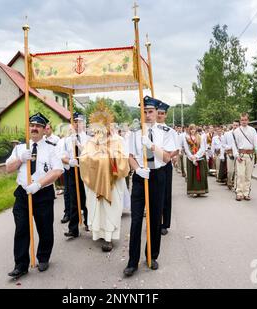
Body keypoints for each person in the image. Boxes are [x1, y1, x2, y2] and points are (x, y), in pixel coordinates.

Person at [5, 113, 64, 278]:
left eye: (38, 126)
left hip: (42, 193)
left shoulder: (52, 148)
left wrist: (38, 184)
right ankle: (21, 265)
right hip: (23, 194)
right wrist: (20, 159)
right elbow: (8, 168)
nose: (34, 128)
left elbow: (57, 171)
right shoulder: (20, 148)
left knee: (44, 228)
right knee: (21, 228)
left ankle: (43, 257)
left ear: (45, 129)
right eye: (32, 125)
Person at [124, 96, 175, 277]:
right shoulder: (134, 133)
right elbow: (129, 155)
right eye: (144, 112)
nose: (147, 115)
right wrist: (137, 169)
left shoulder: (166, 131)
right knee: (136, 220)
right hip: (140, 176)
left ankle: (151, 255)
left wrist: (151, 146)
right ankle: (132, 262)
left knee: (154, 218)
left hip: (157, 176)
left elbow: (167, 157)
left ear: (156, 112)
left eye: (150, 111)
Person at [79, 103, 130, 252]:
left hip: (112, 183)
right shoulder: (91, 141)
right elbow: (84, 158)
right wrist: (96, 159)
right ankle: (100, 233)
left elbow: (123, 159)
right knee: (97, 209)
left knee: (110, 208)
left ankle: (109, 238)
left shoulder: (118, 140)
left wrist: (109, 157)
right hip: (94, 183)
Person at [62, 112, 90, 238]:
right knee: (74, 199)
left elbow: (90, 154)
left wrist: (78, 145)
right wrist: (69, 161)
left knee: (87, 199)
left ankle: (89, 223)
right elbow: (62, 156)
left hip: (85, 170)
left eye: (79, 121)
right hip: (72, 171)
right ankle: (73, 229)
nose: (77, 124)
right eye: (75, 121)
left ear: (83, 123)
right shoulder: (66, 140)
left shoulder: (88, 138)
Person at [156, 102, 180, 236]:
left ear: (165, 115)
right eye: (158, 113)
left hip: (165, 166)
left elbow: (177, 149)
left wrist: (166, 156)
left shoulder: (170, 131)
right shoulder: (149, 130)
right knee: (154, 196)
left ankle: (164, 224)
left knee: (165, 195)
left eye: (162, 113)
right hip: (152, 166)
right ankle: (154, 222)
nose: (159, 115)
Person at [232, 113, 257, 201]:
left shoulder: (252, 130)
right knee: (240, 175)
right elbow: (234, 145)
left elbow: (256, 142)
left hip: (250, 155)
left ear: (248, 120)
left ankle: (246, 193)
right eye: (242, 120)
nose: (244, 121)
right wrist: (236, 155)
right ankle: (239, 193)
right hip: (240, 155)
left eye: (245, 120)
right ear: (240, 120)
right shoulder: (236, 131)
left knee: (248, 176)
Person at [183, 124, 208, 197]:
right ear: (189, 130)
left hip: (199, 157)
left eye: (193, 129)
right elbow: (186, 148)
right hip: (190, 158)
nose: (192, 130)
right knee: (192, 175)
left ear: (196, 129)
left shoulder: (200, 137)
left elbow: (202, 148)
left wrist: (196, 156)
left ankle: (201, 190)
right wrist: (191, 156)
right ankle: (192, 190)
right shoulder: (187, 138)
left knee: (201, 174)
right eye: (191, 129)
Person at [221, 121, 239, 190]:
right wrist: (229, 147)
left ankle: (236, 184)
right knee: (230, 171)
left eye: (237, 125)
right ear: (232, 125)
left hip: (238, 154)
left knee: (237, 171)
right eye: (234, 125)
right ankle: (229, 181)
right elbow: (223, 144)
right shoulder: (227, 134)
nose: (235, 126)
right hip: (230, 153)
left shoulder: (240, 134)